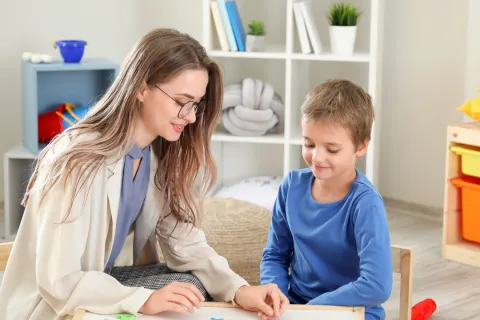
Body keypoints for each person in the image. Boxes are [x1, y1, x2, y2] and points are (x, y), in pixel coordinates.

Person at [0, 28, 289, 320]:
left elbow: (185, 244)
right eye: (181, 102)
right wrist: (143, 299)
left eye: (196, 105)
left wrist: (240, 289)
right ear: (141, 88)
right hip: (52, 302)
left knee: (192, 287)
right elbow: (58, 280)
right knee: (177, 296)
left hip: (100, 281)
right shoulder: (75, 160)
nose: (190, 117)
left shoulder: (157, 154)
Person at [260, 79, 393, 320]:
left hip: (353, 311)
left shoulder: (365, 203)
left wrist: (315, 309)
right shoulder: (291, 186)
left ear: (361, 146)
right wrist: (276, 294)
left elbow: (377, 285)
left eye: (331, 149)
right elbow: (275, 256)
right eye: (309, 144)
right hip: (297, 306)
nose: (316, 157)